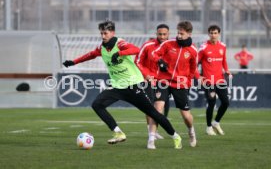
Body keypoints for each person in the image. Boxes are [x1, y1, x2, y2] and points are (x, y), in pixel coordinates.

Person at [63, 20, 182, 149]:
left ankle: (175, 136)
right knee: (97, 105)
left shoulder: (120, 43)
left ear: (112, 33)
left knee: (154, 114)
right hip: (117, 87)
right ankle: (118, 133)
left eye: (106, 33)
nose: (103, 36)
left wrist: (119, 53)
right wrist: (73, 62)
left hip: (134, 86)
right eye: (101, 33)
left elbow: (136, 49)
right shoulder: (101, 47)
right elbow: (90, 55)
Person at [149, 21, 197, 149]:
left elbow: (193, 70)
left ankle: (191, 131)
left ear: (189, 34)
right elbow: (153, 54)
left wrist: (188, 82)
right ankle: (151, 140)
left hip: (180, 84)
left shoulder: (192, 51)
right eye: (178, 33)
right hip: (163, 80)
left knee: (186, 115)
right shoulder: (168, 44)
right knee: (157, 108)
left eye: (182, 33)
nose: (179, 36)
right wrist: (159, 60)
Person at [135, 24, 170, 147]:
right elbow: (137, 61)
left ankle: (154, 130)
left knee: (161, 108)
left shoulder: (171, 47)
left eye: (164, 34)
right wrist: (146, 75)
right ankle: (151, 133)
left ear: (168, 34)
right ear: (156, 34)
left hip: (163, 81)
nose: (162, 36)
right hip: (147, 80)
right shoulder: (147, 45)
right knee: (150, 107)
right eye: (160, 34)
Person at [195, 25, 232, 136]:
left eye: (215, 33)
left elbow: (224, 60)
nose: (213, 35)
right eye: (211, 33)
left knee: (225, 102)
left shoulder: (223, 46)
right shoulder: (203, 47)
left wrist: (227, 70)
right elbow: (195, 63)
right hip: (208, 81)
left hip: (220, 80)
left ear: (219, 34)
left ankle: (216, 122)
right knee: (211, 103)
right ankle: (208, 127)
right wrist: (199, 76)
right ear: (208, 34)